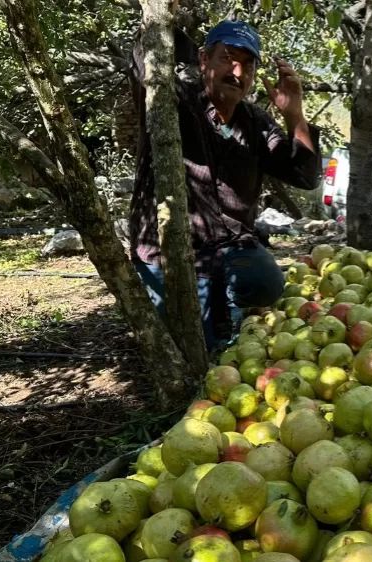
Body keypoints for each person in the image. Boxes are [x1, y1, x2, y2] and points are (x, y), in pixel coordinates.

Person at [128, 20, 322, 351]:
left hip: (230, 249)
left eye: (248, 64)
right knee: (191, 352)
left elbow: (304, 176)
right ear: (204, 60)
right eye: (227, 58)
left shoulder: (255, 123)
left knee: (264, 283)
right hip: (170, 254)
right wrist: (166, 19)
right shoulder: (172, 103)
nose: (237, 72)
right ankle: (214, 318)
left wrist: (294, 115)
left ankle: (231, 310)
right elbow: (143, 61)